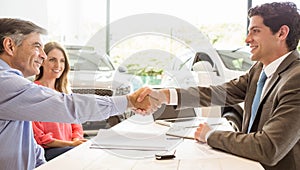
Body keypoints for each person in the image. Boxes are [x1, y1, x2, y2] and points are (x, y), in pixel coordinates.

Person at [137, 2, 300, 170]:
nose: (247, 39)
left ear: (281, 33)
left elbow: (268, 148)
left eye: (255, 31)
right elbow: (219, 92)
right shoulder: (259, 70)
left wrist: (210, 135)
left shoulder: (296, 78)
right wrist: (163, 95)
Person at [0, 18, 156, 170]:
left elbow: (29, 149)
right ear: (10, 46)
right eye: (36, 46)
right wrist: (130, 101)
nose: (43, 55)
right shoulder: (5, 82)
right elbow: (69, 106)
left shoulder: (13, 87)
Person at [32, 42, 87, 161]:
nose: (58, 65)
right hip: (46, 152)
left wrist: (76, 140)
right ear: (42, 61)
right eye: (52, 60)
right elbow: (39, 138)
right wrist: (71, 145)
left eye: (62, 61)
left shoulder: (65, 92)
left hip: (69, 147)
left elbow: (76, 124)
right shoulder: (33, 92)